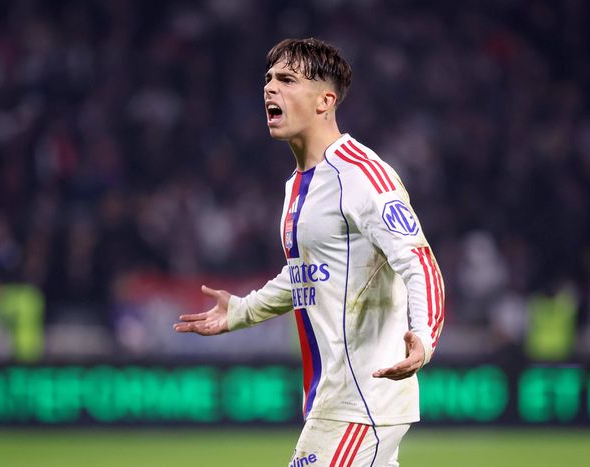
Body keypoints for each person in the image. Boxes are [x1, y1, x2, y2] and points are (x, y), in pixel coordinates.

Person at [174, 38, 445, 467]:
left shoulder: (363, 175)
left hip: (362, 398)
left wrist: (424, 337)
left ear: (325, 101)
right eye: (268, 79)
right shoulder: (297, 185)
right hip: (336, 397)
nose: (270, 88)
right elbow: (307, 273)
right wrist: (243, 310)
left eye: (287, 80)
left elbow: (419, 263)